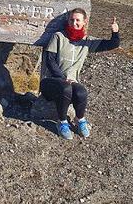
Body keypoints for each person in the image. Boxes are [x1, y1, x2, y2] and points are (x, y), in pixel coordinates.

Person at [40, 8, 120, 140]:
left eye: (78, 20)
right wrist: (63, 78)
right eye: (72, 19)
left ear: (84, 22)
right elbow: (50, 61)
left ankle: (80, 119)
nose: (74, 22)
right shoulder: (59, 36)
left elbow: (113, 44)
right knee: (66, 88)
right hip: (51, 82)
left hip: (72, 83)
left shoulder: (87, 42)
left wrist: (115, 31)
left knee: (81, 92)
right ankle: (62, 122)